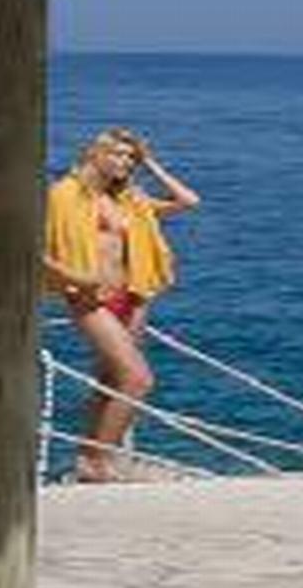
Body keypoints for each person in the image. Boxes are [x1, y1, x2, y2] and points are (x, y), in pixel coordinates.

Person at [43, 128, 200, 481]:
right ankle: (99, 461)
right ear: (94, 154)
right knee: (137, 379)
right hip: (90, 297)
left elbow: (189, 201)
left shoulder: (130, 199)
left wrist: (151, 163)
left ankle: (88, 459)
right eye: (117, 154)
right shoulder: (65, 194)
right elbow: (35, 247)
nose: (125, 162)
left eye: (131, 157)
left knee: (111, 379)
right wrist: (75, 278)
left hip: (133, 294)